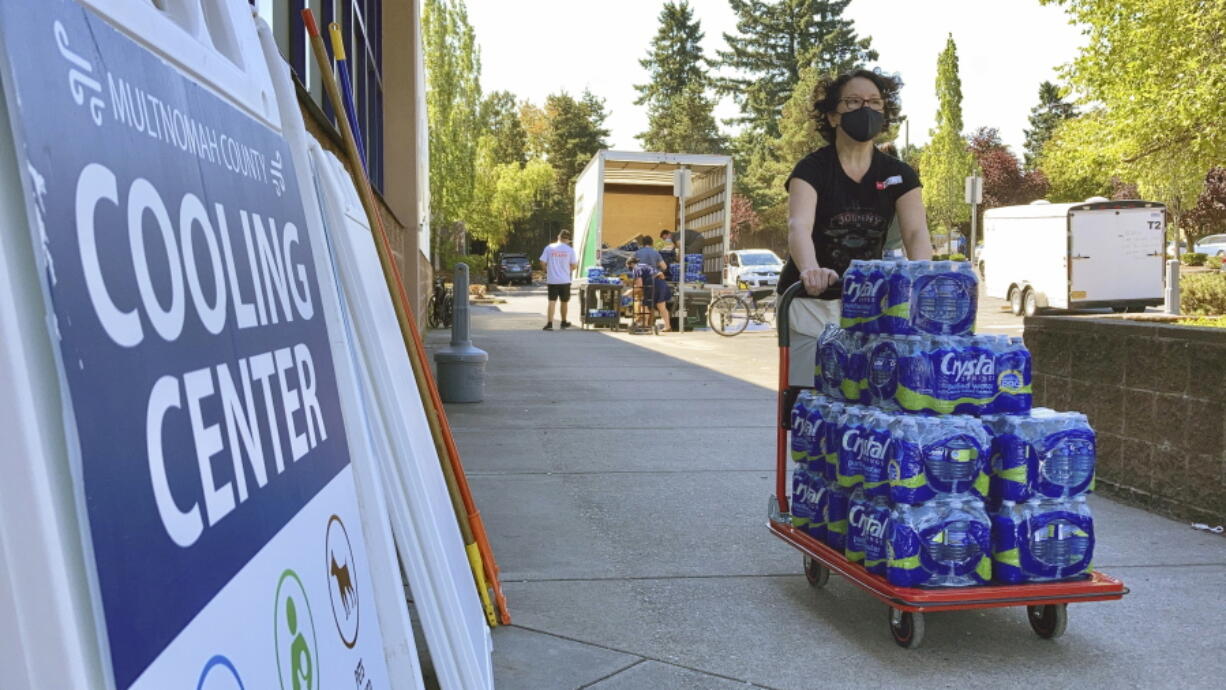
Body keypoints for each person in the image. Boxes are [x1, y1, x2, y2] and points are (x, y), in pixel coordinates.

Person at [777, 68, 933, 384]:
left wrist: (926, 282)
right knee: (810, 395)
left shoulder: (898, 174)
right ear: (833, 116)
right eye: (853, 102)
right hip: (811, 303)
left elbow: (916, 234)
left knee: (868, 394)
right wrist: (811, 270)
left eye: (874, 102)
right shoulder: (812, 169)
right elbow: (799, 226)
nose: (866, 109)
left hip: (870, 304)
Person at [539, 229, 577, 330]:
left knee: (552, 301)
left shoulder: (549, 248)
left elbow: (542, 262)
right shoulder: (570, 250)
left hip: (552, 280)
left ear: (558, 237)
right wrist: (567, 269)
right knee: (564, 302)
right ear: (568, 239)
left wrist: (547, 271)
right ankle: (563, 322)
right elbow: (574, 265)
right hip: (565, 280)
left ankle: (549, 323)